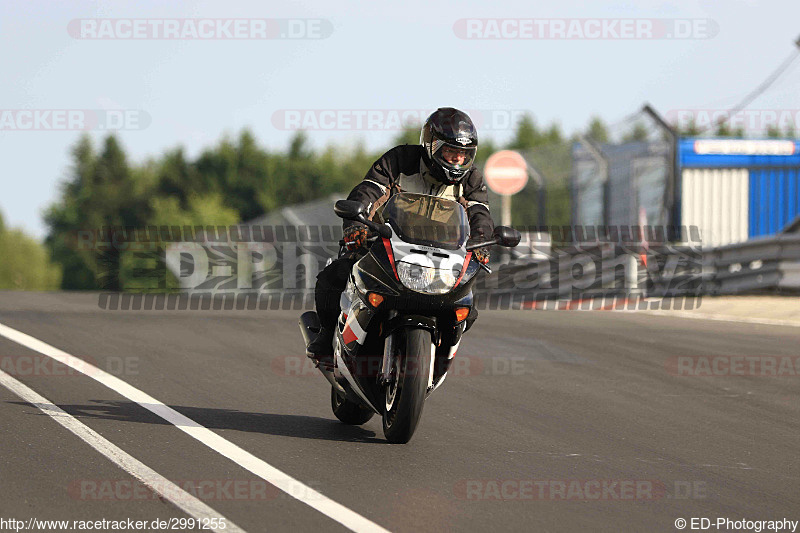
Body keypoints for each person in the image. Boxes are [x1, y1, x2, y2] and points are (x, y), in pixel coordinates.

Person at [307, 107, 494, 366]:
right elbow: (367, 190)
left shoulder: (471, 179)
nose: (456, 162)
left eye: (463, 156)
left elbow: (479, 213)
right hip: (384, 241)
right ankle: (327, 335)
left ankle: (438, 354)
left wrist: (482, 241)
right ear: (431, 145)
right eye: (450, 152)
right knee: (334, 276)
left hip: (443, 253)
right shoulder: (400, 160)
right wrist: (356, 226)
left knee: (467, 309)